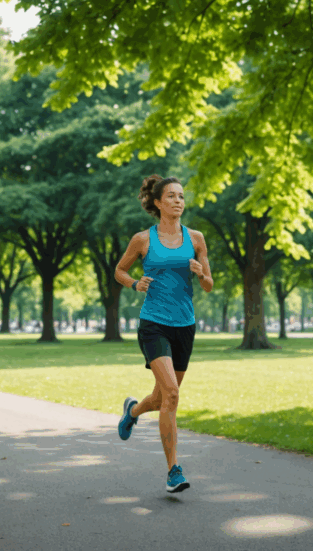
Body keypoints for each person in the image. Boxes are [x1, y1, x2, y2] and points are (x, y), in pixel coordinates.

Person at [114, 174, 213, 493]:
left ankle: (133, 410)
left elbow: (210, 285)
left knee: (161, 398)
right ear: (157, 203)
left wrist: (201, 274)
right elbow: (120, 270)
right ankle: (173, 470)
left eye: (181, 196)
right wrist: (134, 283)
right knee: (172, 394)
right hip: (154, 324)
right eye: (171, 196)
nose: (178, 201)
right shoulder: (143, 239)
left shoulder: (196, 238)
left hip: (185, 325)